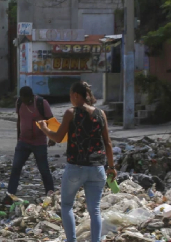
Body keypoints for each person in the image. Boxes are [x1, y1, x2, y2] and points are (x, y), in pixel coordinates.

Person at [38, 82, 116, 242]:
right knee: (94, 209)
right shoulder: (101, 113)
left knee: (66, 205)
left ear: (76, 96)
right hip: (97, 168)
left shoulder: (71, 113)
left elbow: (58, 137)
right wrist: (112, 167)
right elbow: (107, 142)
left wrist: (45, 129)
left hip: (76, 167)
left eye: (70, 96)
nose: (70, 99)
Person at [3, 86, 55, 205]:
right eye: (23, 99)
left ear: (31, 96)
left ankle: (51, 195)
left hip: (39, 142)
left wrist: (52, 137)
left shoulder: (42, 103)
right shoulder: (20, 103)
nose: (26, 101)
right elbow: (19, 120)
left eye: (27, 99)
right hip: (24, 142)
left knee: (44, 170)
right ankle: (10, 196)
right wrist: (18, 138)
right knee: (16, 168)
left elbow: (51, 121)